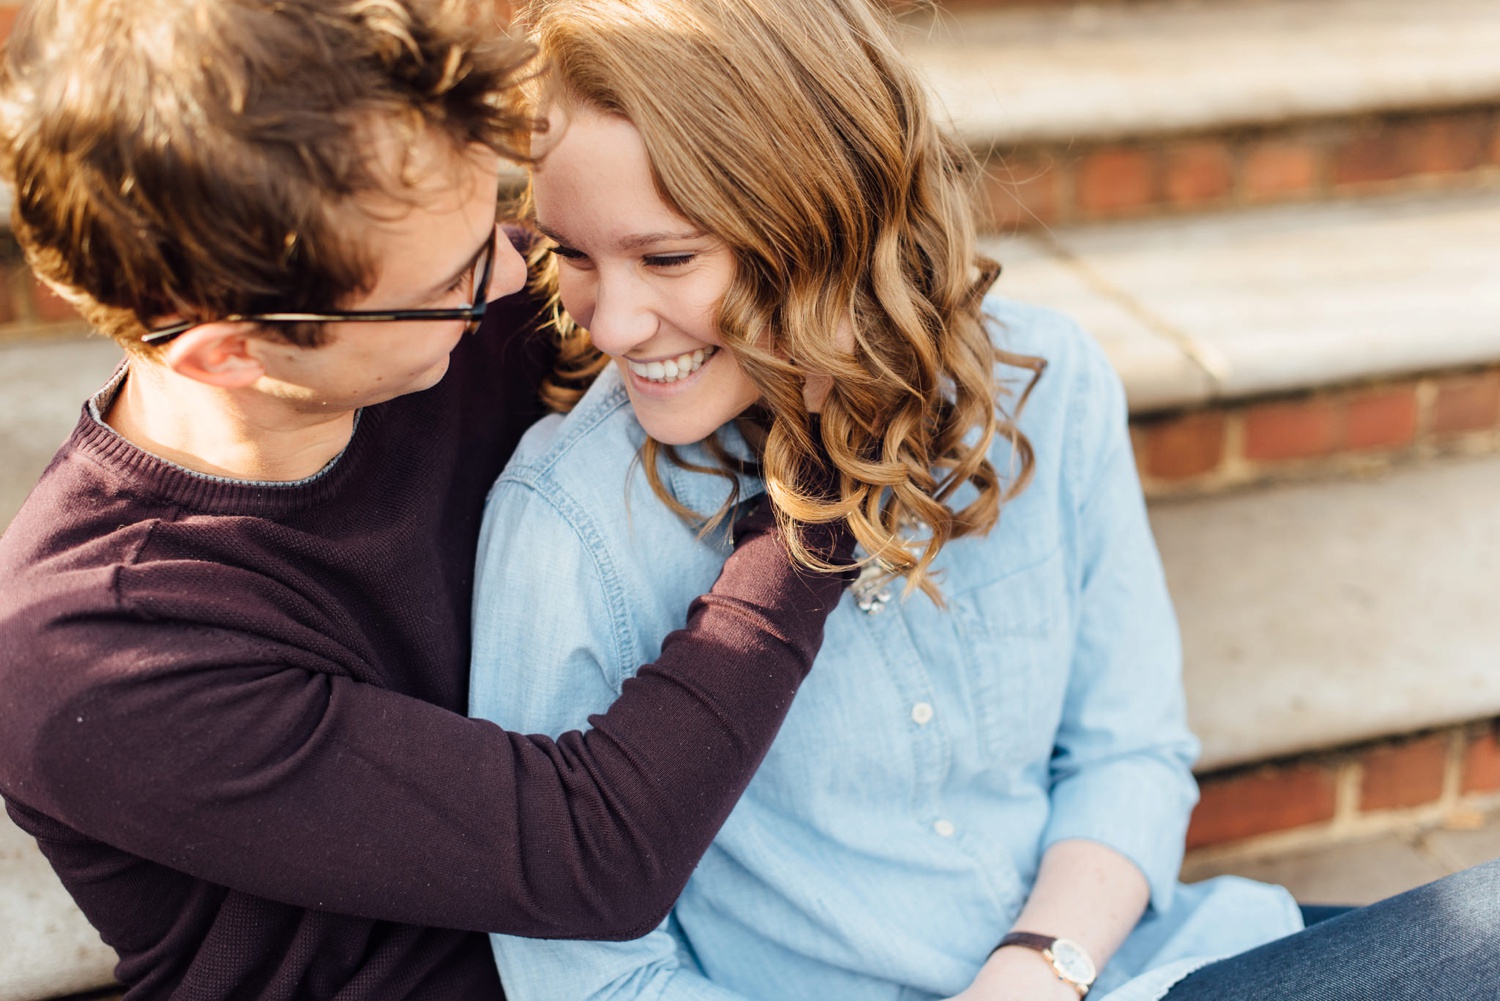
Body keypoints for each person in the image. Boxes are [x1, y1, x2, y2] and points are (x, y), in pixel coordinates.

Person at [0, 1, 857, 998]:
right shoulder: (93, 654)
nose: (515, 271)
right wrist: (825, 496)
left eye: (498, 217)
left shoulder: (447, 322)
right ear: (230, 351)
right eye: (456, 277)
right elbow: (596, 853)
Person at [466, 1, 1300, 999]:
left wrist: (1039, 969)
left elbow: (1133, 750)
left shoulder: (1048, 384)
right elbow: (582, 978)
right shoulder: (568, 523)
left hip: (1119, 967)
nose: (610, 323)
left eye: (668, 257)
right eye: (575, 254)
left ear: (819, 215)